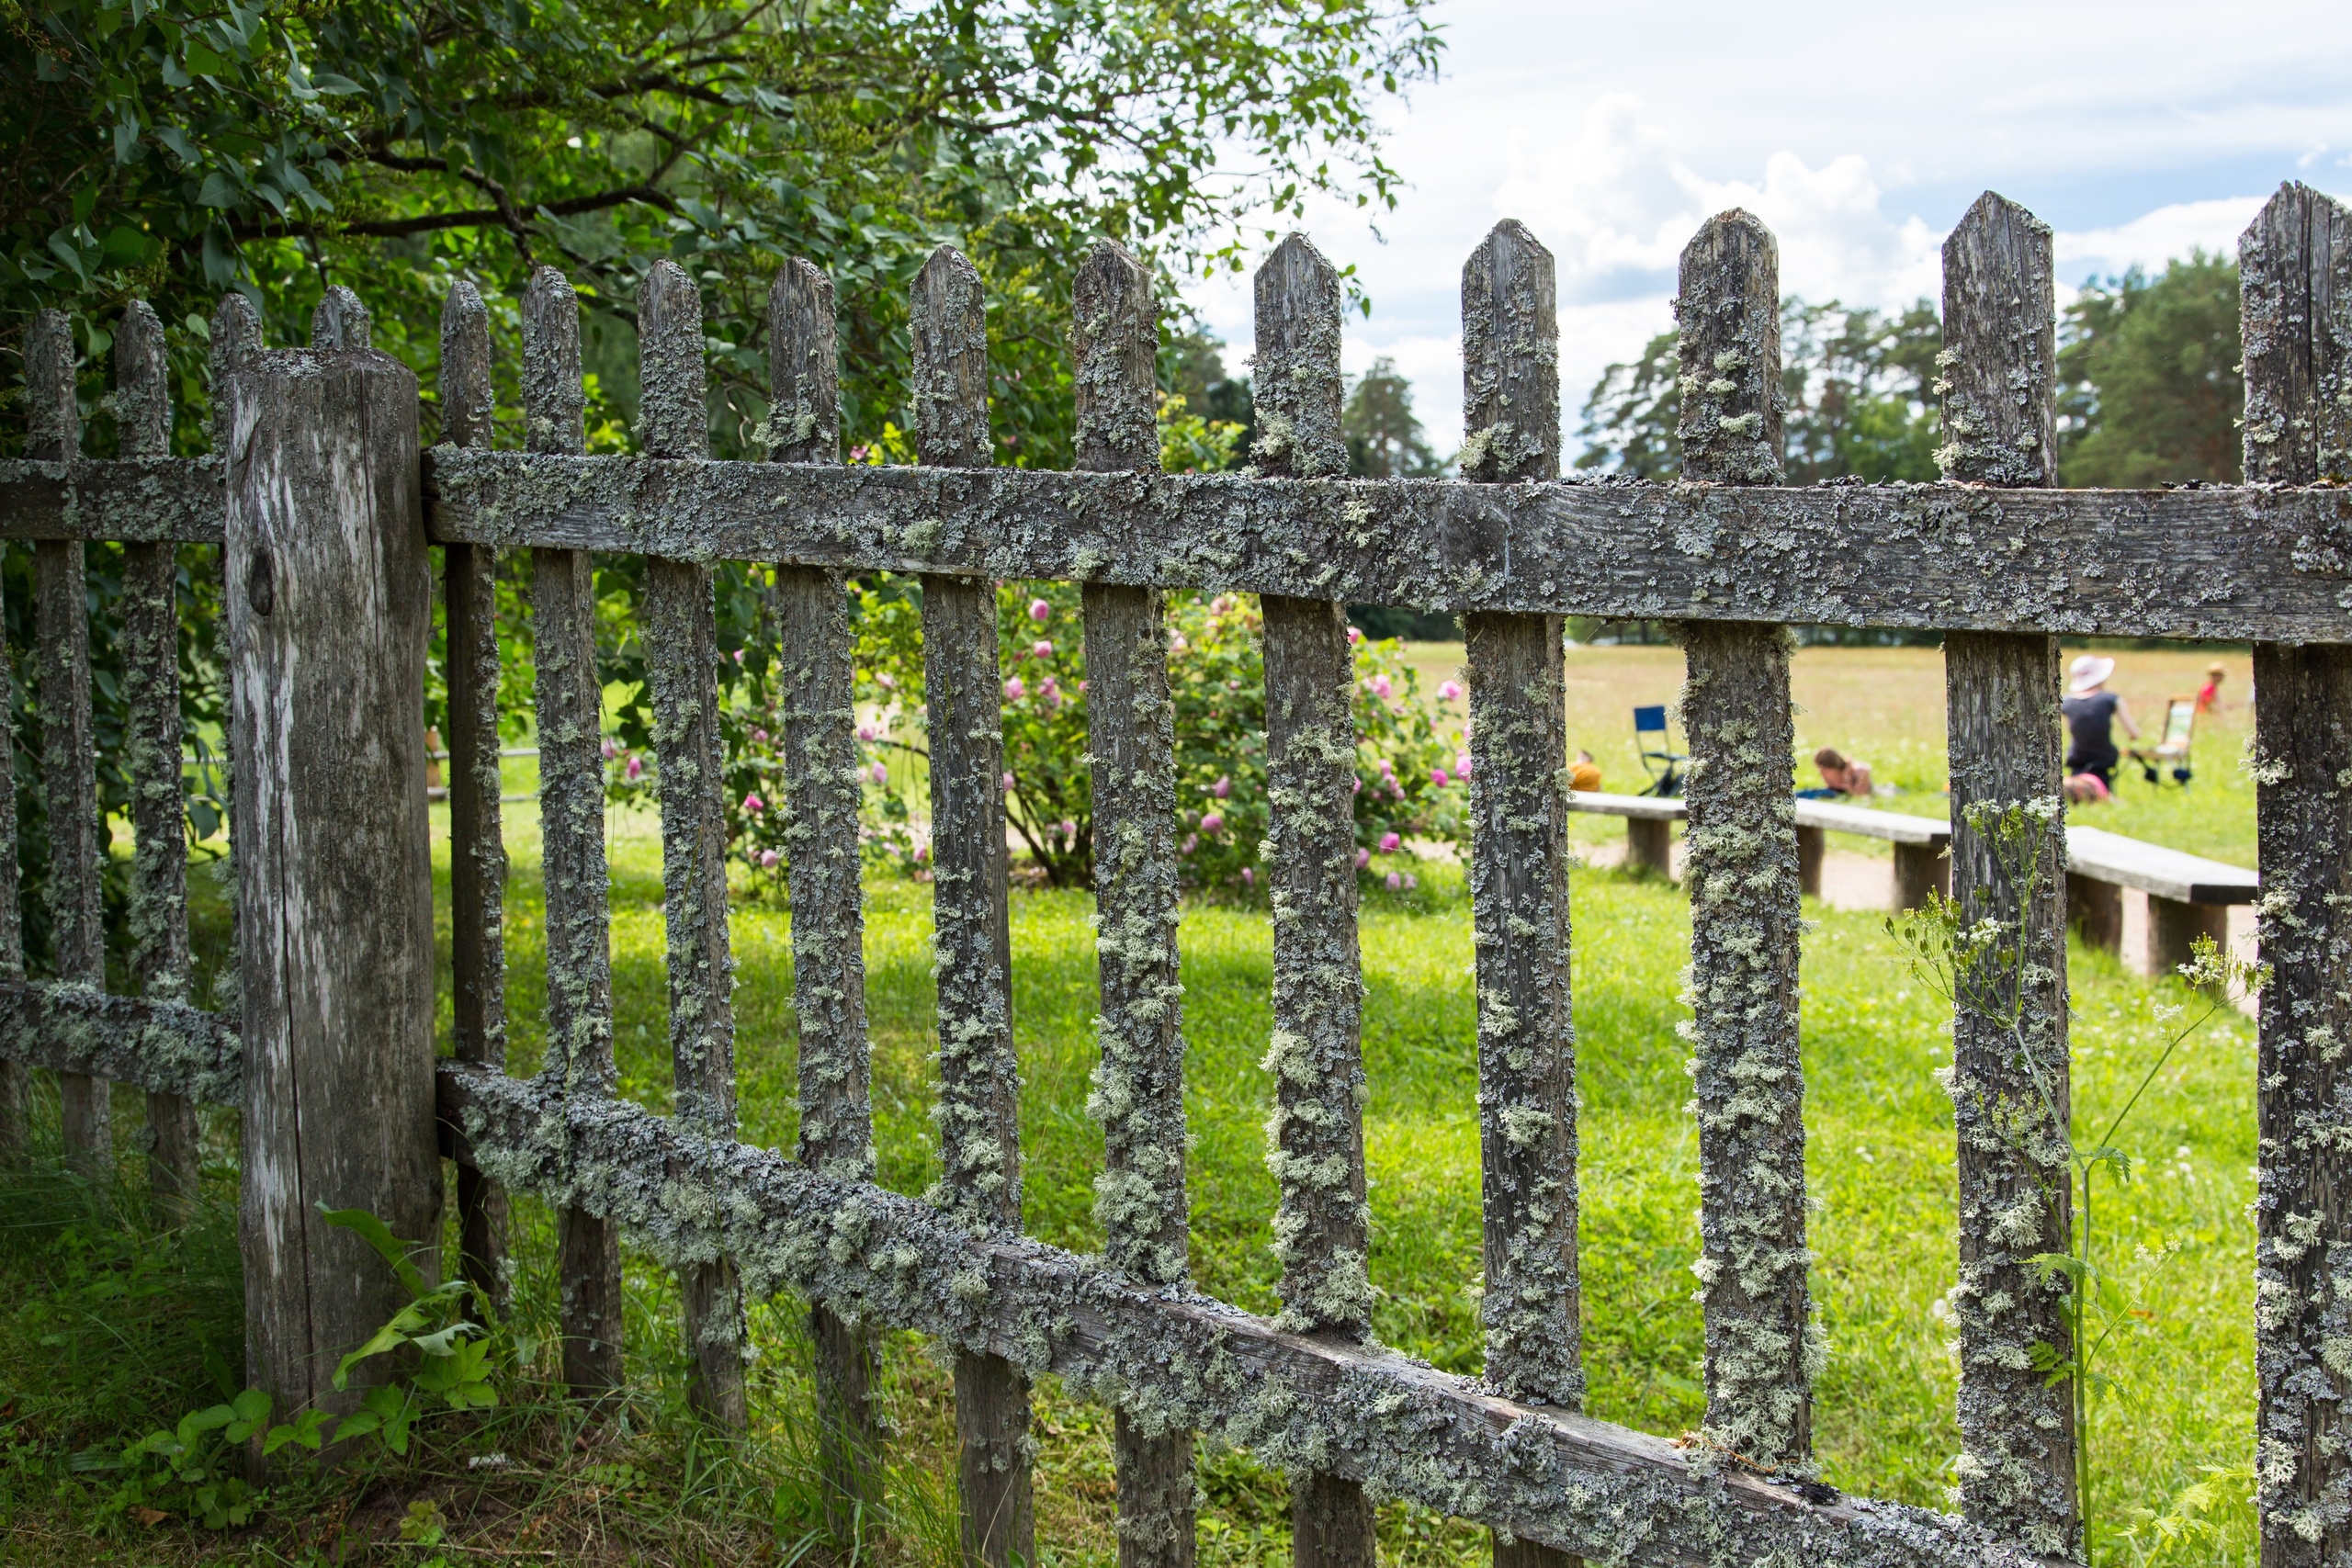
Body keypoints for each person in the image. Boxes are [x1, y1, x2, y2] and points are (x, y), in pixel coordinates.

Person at [2062, 654, 2138, 794]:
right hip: (2102, 763)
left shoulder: (2066, 702)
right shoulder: (2110, 699)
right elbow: (2134, 733)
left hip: (2076, 762)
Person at [1799, 747, 1872, 799]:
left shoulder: (1861, 771)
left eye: (1823, 771)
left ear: (1833, 768)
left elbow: (1859, 796)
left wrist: (1847, 778)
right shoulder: (1833, 781)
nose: (1821, 775)